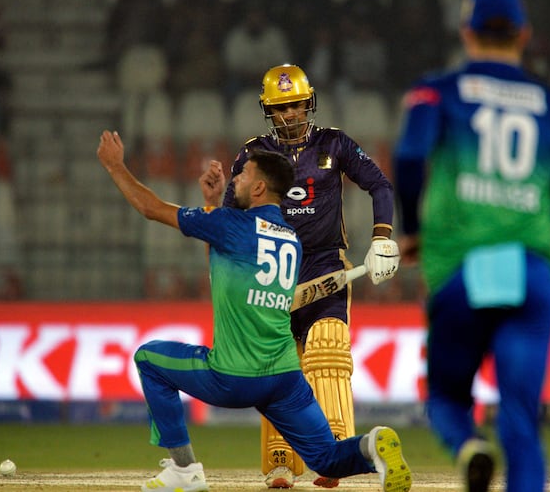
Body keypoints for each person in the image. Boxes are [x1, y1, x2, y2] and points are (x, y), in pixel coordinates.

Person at [96, 130, 411, 492]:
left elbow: (151, 209)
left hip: (232, 377)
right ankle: (371, 446)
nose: (237, 180)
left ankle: (184, 471)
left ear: (259, 188)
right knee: (325, 457)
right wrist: (213, 202)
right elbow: (220, 264)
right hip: (283, 380)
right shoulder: (290, 239)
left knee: (149, 358)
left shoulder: (232, 225)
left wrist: (115, 167)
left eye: (243, 175)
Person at [393, 0, 550, 492]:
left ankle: (468, 446)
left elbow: (411, 157)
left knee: (445, 398)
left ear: (467, 32)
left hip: (463, 268)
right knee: (521, 418)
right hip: (530, 272)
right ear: (524, 35)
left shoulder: (436, 91)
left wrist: (414, 231)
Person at [218, 63, 400, 489]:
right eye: (282, 108)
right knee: (275, 363)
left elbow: (380, 186)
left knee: (328, 346)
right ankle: (280, 460)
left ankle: (336, 451)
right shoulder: (253, 155)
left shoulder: (334, 144)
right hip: (273, 268)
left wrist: (382, 239)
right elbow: (230, 217)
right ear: (268, 110)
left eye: (297, 105)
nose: (291, 116)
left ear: (309, 103)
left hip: (324, 262)